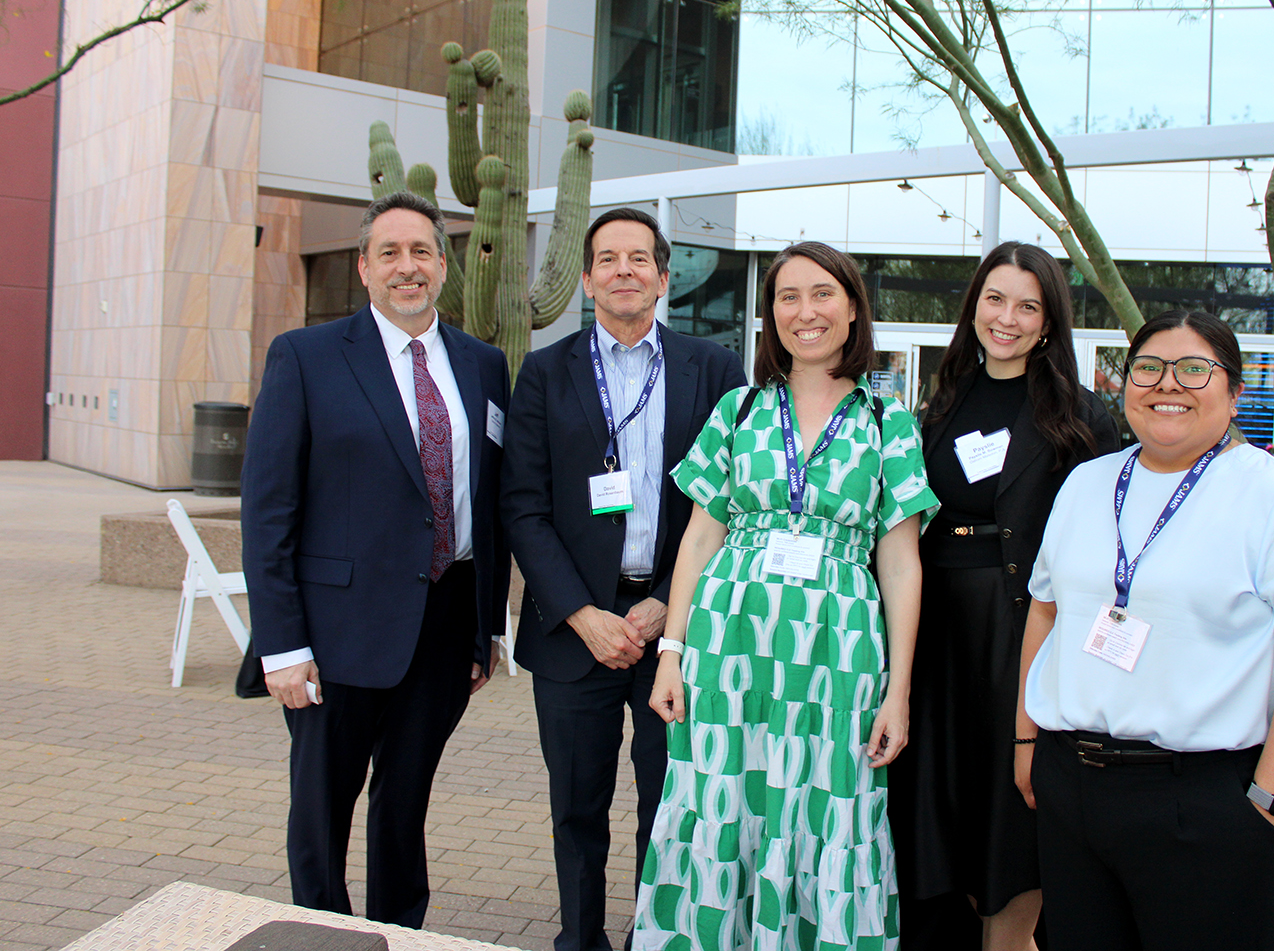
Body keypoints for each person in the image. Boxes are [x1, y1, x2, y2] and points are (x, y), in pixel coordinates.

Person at [1015, 309, 1274, 951]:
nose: (1167, 384)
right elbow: (1046, 610)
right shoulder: (1086, 484)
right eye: (1148, 368)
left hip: (1202, 801)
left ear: (1234, 393)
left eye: (1194, 369)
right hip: (1072, 787)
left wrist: (1271, 803)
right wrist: (1025, 742)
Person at [634, 241, 939, 951]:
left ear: (854, 307)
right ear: (770, 314)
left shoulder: (888, 421)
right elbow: (699, 542)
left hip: (839, 656)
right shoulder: (737, 410)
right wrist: (671, 654)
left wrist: (897, 692)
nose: (807, 312)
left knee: (830, 809)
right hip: (728, 648)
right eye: (788, 297)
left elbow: (901, 567)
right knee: (720, 802)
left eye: (823, 293)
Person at [241, 190, 511, 928]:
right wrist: (282, 646)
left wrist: (485, 628)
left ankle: (399, 933)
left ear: (444, 266)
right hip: (335, 631)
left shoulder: (484, 365)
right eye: (388, 252)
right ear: (364, 268)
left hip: (444, 625)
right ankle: (323, 935)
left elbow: (488, 504)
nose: (406, 266)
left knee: (406, 802)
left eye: (421, 251)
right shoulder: (306, 357)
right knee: (323, 807)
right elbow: (268, 512)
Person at [499, 207, 746, 951]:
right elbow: (523, 506)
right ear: (585, 279)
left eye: (639, 258)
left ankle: (653, 938)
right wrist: (583, 614)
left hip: (679, 628)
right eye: (607, 259)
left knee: (669, 803)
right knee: (577, 807)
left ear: (664, 278)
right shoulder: (545, 372)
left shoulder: (716, 370)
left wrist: (667, 604)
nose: (624, 271)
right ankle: (579, 939)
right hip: (576, 632)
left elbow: (732, 503)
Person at [890, 242, 1118, 951]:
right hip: (936, 633)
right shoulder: (940, 401)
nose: (1007, 319)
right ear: (974, 306)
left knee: (1010, 810)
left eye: (1027, 306)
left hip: (1019, 632)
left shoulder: (1081, 417)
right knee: (939, 806)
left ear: (1049, 321)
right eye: (995, 299)